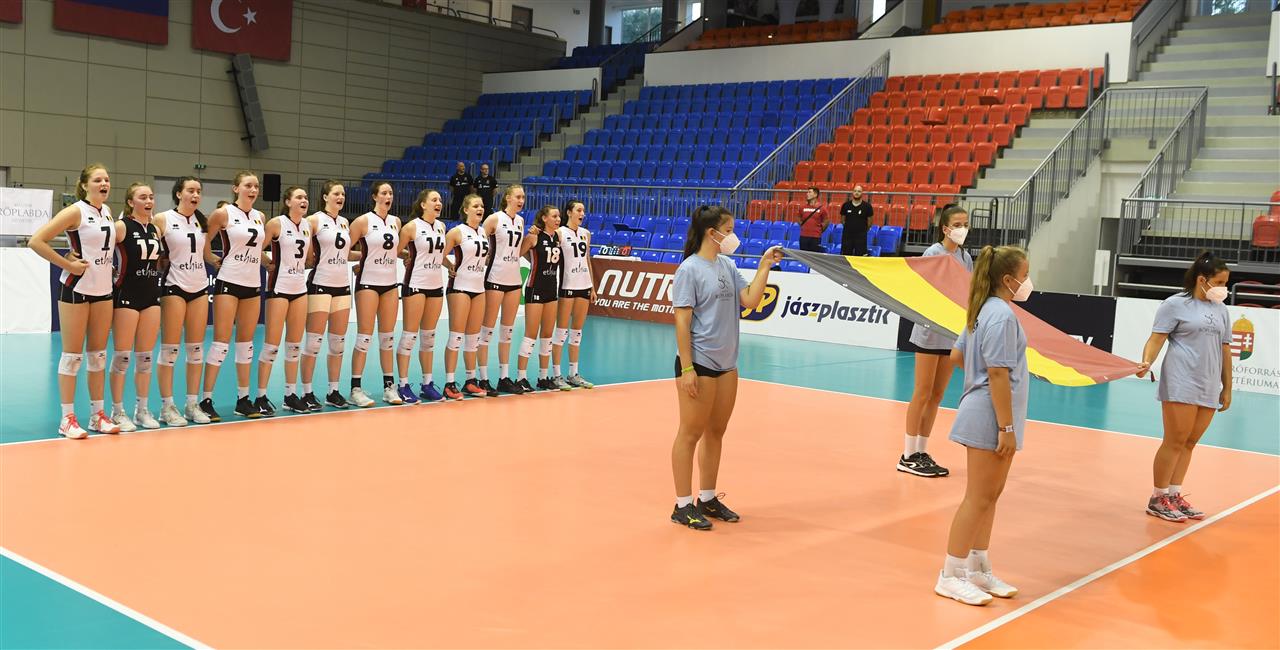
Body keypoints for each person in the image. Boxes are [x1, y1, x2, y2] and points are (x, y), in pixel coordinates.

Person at [670, 205, 784, 530]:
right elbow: (682, 321)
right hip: (700, 362)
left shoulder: (728, 265)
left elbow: (750, 300)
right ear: (713, 233)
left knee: (715, 432)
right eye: (729, 229)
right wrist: (687, 369)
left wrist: (764, 266)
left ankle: (706, 498)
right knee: (690, 433)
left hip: (727, 363)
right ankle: (682, 505)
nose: (734, 235)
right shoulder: (689, 270)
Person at [935, 245, 1030, 606]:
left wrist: (976, 379)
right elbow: (997, 373)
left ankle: (978, 567)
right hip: (991, 416)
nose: (1028, 282)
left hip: (989, 411)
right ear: (1008, 279)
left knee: (990, 496)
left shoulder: (983, 309)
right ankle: (951, 574)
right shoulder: (1001, 315)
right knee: (977, 497)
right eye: (1024, 275)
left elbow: (958, 355)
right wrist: (1006, 428)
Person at [1136, 251, 1232, 522]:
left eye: (1226, 283)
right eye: (1220, 282)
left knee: (1190, 442)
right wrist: (1147, 361)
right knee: (1175, 440)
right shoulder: (1175, 304)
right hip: (1181, 379)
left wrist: (1227, 387)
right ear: (1202, 280)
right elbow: (1156, 338)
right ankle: (1158, 497)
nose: (1223, 289)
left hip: (1208, 383)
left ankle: (1174, 494)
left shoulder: (1221, 310)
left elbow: (1225, 350)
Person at [29, 164, 121, 438]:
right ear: (84, 185)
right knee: (72, 357)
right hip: (76, 289)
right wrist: (67, 264)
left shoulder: (107, 211)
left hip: (103, 290)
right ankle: (67, 418)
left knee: (98, 356)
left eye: (107, 179)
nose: (104, 184)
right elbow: (36, 241)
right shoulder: (75, 211)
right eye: (98, 180)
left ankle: (97, 415)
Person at [899, 206, 973, 478]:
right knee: (922, 392)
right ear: (945, 228)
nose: (963, 229)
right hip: (930, 332)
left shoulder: (965, 257)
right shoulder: (933, 253)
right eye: (958, 224)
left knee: (937, 395)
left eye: (966, 224)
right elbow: (923, 290)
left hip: (951, 333)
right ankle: (907, 455)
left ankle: (921, 451)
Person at [201, 170, 267, 420]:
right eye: (248, 185)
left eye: (256, 186)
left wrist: (270, 263)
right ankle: (206, 400)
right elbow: (204, 240)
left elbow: (257, 249)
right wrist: (212, 259)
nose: (253, 190)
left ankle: (243, 399)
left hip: (253, 284)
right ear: (236, 188)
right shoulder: (223, 213)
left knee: (246, 344)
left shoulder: (260, 216)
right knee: (220, 343)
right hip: (228, 281)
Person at [107, 183, 164, 432]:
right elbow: (100, 249)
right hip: (126, 295)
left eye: (151, 197)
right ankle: (117, 411)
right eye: (143, 197)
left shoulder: (155, 229)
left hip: (151, 295)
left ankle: (142, 410)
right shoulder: (121, 227)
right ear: (131, 202)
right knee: (122, 357)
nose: (149, 201)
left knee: (145, 358)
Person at [155, 177, 210, 426]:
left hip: (199, 286)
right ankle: (167, 407)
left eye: (198, 191)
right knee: (170, 350)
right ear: (179, 194)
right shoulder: (163, 219)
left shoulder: (202, 221)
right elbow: (147, 246)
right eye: (190, 190)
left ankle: (191, 405)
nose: (195, 195)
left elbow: (205, 253)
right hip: (174, 285)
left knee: (196, 350)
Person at [256, 186, 312, 414]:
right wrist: (267, 263)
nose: (304, 200)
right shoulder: (276, 224)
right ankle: (260, 396)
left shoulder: (307, 225)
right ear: (288, 202)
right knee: (271, 346)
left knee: (294, 346)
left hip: (300, 288)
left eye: (306, 197)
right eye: (299, 197)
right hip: (278, 288)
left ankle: (290, 395)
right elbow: (255, 248)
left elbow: (309, 258)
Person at [347, 181, 403, 407]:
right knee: (364, 337)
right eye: (384, 193)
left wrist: (410, 255)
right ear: (374, 196)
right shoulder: (362, 221)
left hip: (390, 284)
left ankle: (389, 387)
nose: (388, 196)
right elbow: (343, 249)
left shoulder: (396, 222)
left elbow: (393, 250)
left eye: (391, 193)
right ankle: (355, 389)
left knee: (387, 337)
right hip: (368, 283)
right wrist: (361, 259)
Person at [300, 181, 353, 411]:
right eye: (336, 193)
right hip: (320, 284)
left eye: (343, 194)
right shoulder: (314, 220)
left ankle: (333, 391)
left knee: (337, 344)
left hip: (342, 285)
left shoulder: (344, 222)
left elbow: (345, 253)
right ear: (325, 197)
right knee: (313, 343)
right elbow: (302, 247)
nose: (340, 197)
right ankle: (306, 393)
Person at [394, 189, 449, 403]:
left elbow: (439, 254)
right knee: (410, 336)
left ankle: (427, 384)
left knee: (429, 337)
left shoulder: (441, 226)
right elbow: (394, 251)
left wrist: (451, 266)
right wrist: (407, 256)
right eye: (434, 200)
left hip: (436, 285)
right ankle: (403, 385)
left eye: (440, 200)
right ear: (423, 204)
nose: (439, 203)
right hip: (415, 284)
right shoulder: (411, 227)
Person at [477, 184, 530, 396]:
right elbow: (480, 243)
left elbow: (518, 251)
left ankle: (504, 378)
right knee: (487, 331)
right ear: (507, 197)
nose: (521, 200)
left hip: (514, 280)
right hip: (495, 278)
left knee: (507, 332)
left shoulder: (521, 221)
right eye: (518, 196)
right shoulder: (494, 219)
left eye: (523, 197)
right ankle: (482, 379)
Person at [441, 194, 490, 399]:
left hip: (478, 288)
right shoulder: (457, 232)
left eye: (482, 206)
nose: (480, 209)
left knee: (473, 338)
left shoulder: (483, 232)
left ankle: (471, 381)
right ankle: (449, 383)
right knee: (456, 336)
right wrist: (450, 267)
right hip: (460, 287)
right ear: (466, 209)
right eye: (475, 206)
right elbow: (438, 254)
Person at [552, 200, 596, 390]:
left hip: (584, 285)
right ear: (569, 212)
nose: (582, 213)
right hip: (567, 286)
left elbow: (587, 260)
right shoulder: (560, 233)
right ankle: (556, 374)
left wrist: (592, 286)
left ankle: (573, 373)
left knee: (577, 332)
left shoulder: (586, 233)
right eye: (578, 210)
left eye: (583, 211)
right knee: (561, 332)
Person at [518, 205, 561, 392]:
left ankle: (543, 377)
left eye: (559, 216)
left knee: (547, 335)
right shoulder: (534, 236)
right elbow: (518, 252)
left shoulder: (558, 237)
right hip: (535, 287)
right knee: (531, 334)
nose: (558, 219)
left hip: (552, 288)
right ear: (544, 218)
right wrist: (529, 240)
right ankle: (521, 377)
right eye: (554, 216)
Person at [840, 185, 873, 256]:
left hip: (861, 236)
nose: (856, 193)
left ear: (862, 193)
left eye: (859, 191)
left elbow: (870, 222)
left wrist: (862, 230)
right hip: (847, 236)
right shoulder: (846, 205)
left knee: (860, 257)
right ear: (852, 192)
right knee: (846, 256)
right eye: (855, 191)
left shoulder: (867, 206)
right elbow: (842, 220)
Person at [797, 187, 827, 252]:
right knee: (803, 255)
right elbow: (798, 217)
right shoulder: (802, 207)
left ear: (815, 194)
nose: (807, 194)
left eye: (809, 192)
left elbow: (826, 221)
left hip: (816, 237)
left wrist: (820, 230)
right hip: (803, 236)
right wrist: (802, 225)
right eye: (807, 192)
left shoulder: (822, 208)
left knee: (813, 256)